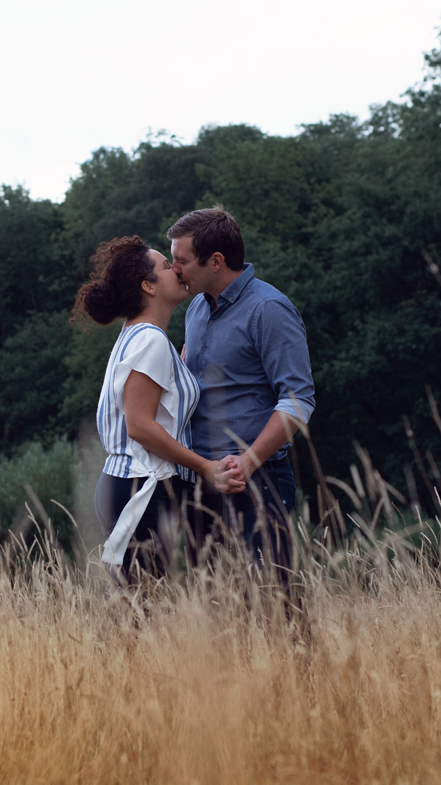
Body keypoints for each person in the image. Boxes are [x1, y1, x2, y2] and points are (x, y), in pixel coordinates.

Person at [73, 235, 245, 589]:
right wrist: (206, 467)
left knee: (135, 605)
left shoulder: (137, 336)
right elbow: (139, 426)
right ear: (149, 285)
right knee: (138, 611)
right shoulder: (150, 340)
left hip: (131, 484)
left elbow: (150, 404)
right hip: (143, 488)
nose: (177, 269)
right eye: (167, 266)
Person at [168, 206, 315, 608]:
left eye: (181, 260)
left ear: (215, 261)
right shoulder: (197, 307)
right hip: (203, 483)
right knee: (219, 617)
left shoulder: (269, 308)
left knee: (273, 610)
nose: (174, 269)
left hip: (259, 482)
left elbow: (298, 400)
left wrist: (248, 462)